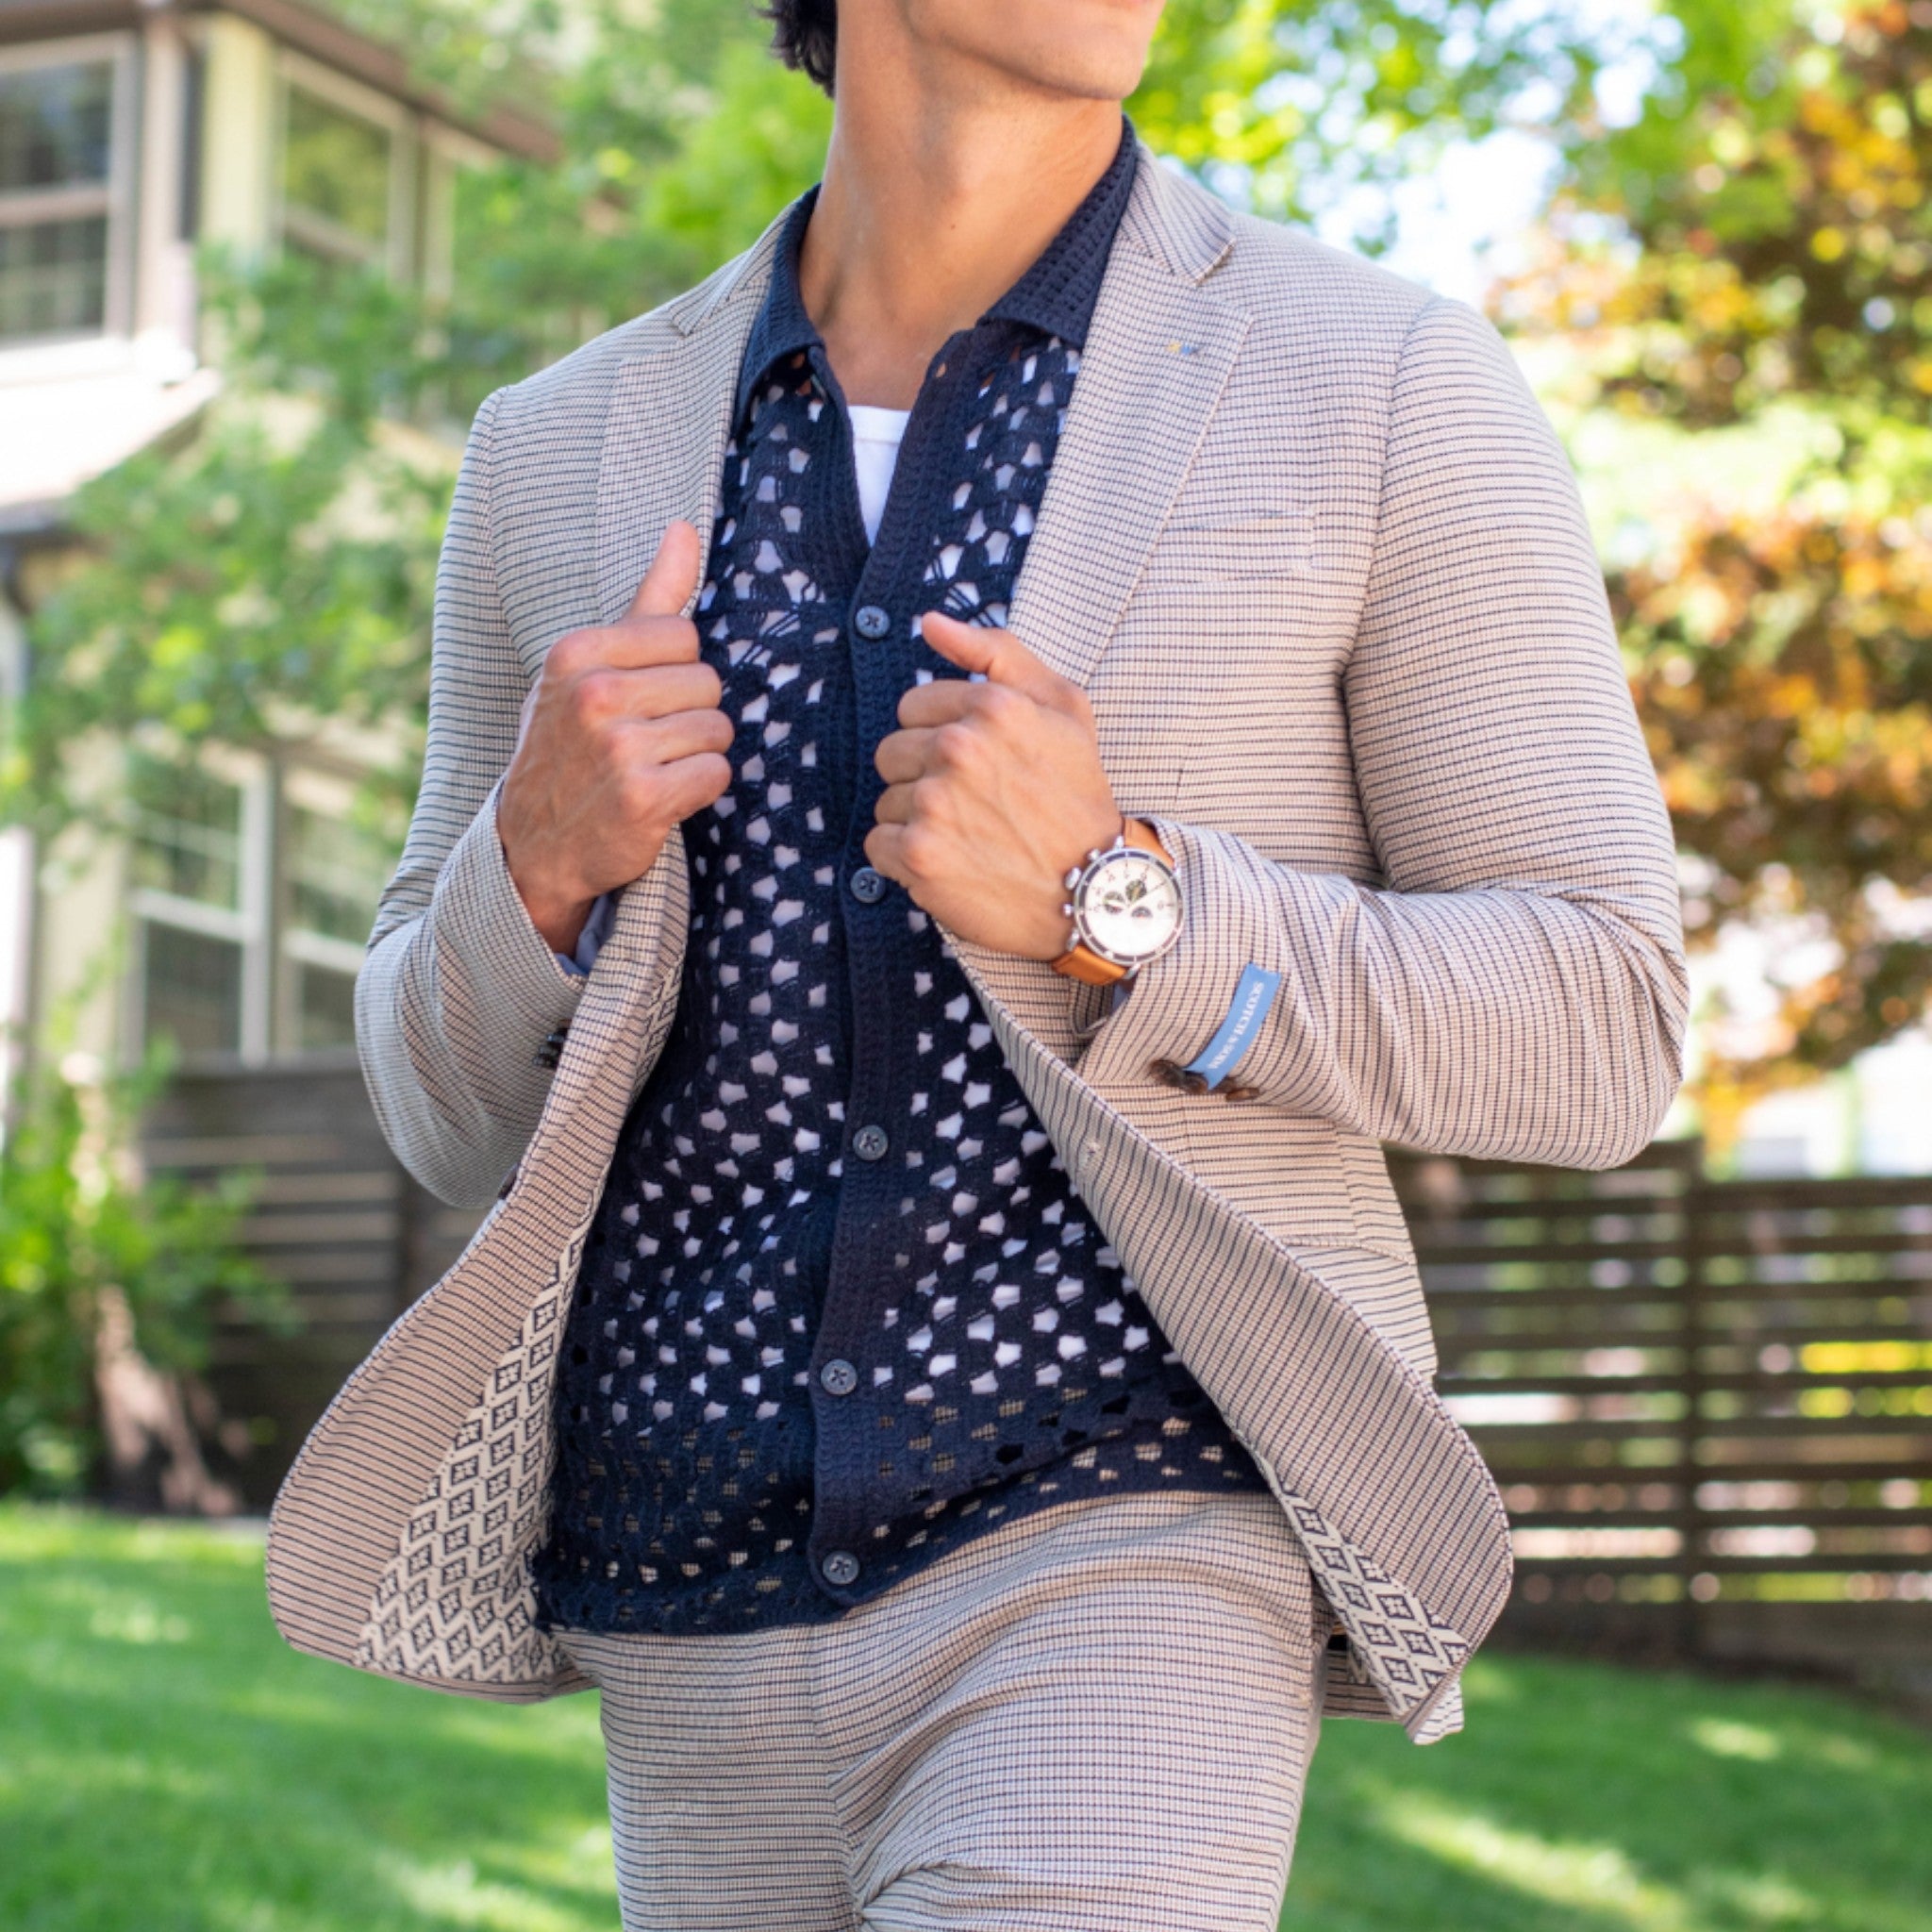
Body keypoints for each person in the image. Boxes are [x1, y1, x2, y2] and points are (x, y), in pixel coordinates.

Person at [266, 2, 1688, 1926]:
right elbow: (439, 1114)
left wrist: (1124, 898)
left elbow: (1604, 1017)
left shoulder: (1379, 384)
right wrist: (529, 874)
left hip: (1124, 1519)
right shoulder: (556, 449)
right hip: (680, 1580)